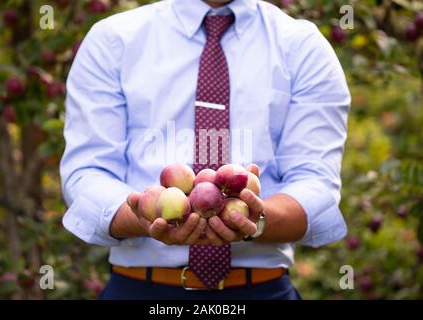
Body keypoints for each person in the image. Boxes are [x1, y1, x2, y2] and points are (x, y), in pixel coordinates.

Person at [60, 0, 351, 300]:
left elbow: (316, 187)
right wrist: (145, 216)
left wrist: (254, 219)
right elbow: (86, 175)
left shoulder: (303, 47)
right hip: (137, 290)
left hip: (262, 291)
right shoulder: (113, 40)